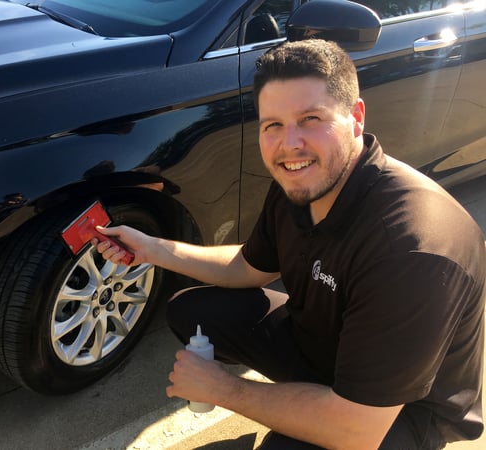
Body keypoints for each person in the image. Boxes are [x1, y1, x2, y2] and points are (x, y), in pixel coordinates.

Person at [92, 39, 486, 449]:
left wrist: (223, 390)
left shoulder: (411, 250)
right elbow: (245, 267)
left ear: (356, 117)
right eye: (272, 125)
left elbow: (357, 433)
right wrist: (151, 248)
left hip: (402, 411)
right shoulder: (300, 185)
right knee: (193, 311)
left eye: (310, 118)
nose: (289, 144)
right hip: (332, 344)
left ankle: (316, 412)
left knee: (293, 443)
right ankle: (313, 403)